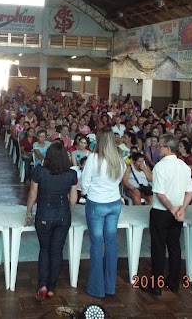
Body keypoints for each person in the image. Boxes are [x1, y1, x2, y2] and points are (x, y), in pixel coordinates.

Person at [141, 135, 192, 295]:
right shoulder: (183, 166)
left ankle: (156, 285)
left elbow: (160, 194)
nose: (157, 149)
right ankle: (173, 282)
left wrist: (172, 209)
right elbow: (190, 192)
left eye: (160, 146)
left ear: (168, 148)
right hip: (177, 211)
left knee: (158, 247)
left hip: (162, 211)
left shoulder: (159, 167)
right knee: (174, 246)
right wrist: (181, 209)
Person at [25, 142, 78, 300]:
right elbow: (73, 198)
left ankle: (42, 285)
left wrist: (28, 212)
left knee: (45, 250)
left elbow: (32, 196)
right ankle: (51, 288)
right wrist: (68, 210)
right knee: (57, 251)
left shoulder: (39, 172)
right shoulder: (71, 174)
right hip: (63, 216)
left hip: (44, 215)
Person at [80, 127, 126, 298]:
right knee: (112, 244)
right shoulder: (119, 159)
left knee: (97, 244)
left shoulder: (93, 158)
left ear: (98, 140)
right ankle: (109, 286)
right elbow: (120, 180)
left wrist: (87, 192)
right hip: (114, 203)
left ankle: (96, 288)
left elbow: (84, 183)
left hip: (97, 203)